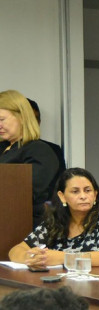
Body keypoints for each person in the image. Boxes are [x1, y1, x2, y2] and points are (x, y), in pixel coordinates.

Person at [8, 167, 99, 271]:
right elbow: (15, 251)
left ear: (95, 195)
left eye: (88, 190)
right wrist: (31, 257)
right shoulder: (55, 222)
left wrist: (60, 257)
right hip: (63, 286)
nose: (83, 196)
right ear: (62, 196)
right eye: (75, 192)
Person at [0, 89, 62, 228]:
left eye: (2, 119)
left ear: (22, 117)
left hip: (24, 230)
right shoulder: (3, 148)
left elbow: (26, 193)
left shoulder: (39, 150)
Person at [27, 97, 66, 172]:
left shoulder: (53, 150)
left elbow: (61, 181)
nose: (32, 124)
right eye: (28, 120)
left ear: (39, 122)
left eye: (35, 119)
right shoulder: (4, 148)